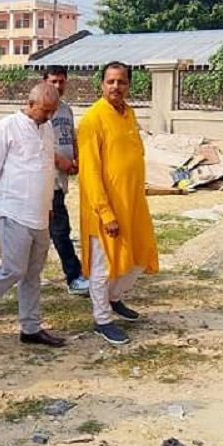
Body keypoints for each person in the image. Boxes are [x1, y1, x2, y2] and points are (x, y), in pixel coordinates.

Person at [0, 83, 64, 347]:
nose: (49, 116)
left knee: (33, 273)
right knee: (13, 269)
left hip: (40, 213)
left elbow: (46, 168)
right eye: (45, 111)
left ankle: (30, 328)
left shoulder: (48, 128)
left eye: (52, 111)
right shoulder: (8, 126)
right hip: (13, 209)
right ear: (30, 104)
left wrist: (50, 204)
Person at [78, 62, 159, 346]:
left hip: (133, 202)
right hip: (104, 208)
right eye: (110, 81)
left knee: (139, 255)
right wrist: (105, 212)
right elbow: (89, 172)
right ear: (101, 84)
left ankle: (114, 299)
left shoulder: (129, 114)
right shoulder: (92, 120)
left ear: (129, 85)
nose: (116, 87)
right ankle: (102, 319)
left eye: (121, 82)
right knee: (103, 267)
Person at [42, 67, 87, 295]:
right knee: (60, 229)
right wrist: (61, 162)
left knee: (49, 232)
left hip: (62, 180)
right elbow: (36, 146)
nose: (58, 86)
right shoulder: (40, 111)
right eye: (53, 81)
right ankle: (74, 276)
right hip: (46, 181)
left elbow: (72, 136)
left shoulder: (66, 110)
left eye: (61, 81)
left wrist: (76, 158)